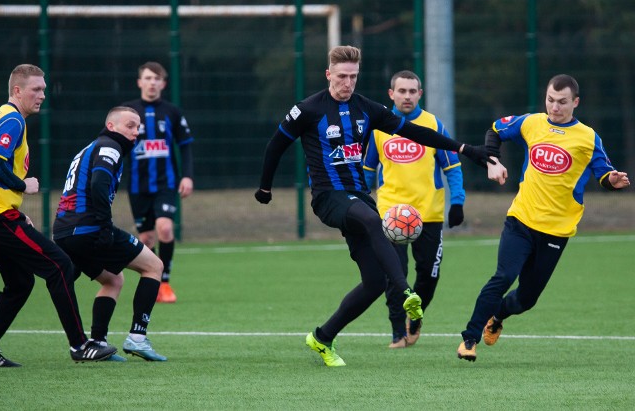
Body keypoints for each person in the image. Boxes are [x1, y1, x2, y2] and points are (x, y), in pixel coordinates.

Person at [254, 45, 492, 366]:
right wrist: (265, 187)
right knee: (371, 219)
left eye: (353, 77)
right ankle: (407, 292)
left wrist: (463, 148)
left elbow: (416, 133)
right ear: (329, 75)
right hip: (328, 197)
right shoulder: (307, 109)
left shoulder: (368, 109)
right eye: (341, 76)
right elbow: (275, 146)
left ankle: (323, 338)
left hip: (357, 198)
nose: (347, 83)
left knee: (373, 283)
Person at [457, 74, 630, 362]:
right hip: (521, 220)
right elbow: (495, 130)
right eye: (550, 100)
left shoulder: (588, 137)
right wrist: (493, 159)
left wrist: (612, 180)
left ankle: (498, 316)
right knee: (503, 276)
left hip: (556, 232)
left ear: (576, 102)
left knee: (526, 299)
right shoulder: (531, 123)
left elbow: (603, 174)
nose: (555, 107)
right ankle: (469, 339)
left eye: (562, 102)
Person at [0, 64, 117, 366]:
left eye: (44, 89)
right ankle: (79, 346)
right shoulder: (12, 120)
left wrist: (17, 209)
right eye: (36, 89)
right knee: (60, 264)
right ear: (17, 91)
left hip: (3, 214)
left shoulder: (3, 116)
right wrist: (23, 185)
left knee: (20, 282)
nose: (43, 95)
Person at [53, 106, 167, 362]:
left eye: (138, 127)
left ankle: (97, 343)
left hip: (64, 231)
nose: (135, 132)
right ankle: (137, 337)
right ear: (111, 125)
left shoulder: (89, 148)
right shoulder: (109, 147)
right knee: (154, 266)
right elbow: (98, 185)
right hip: (88, 228)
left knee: (113, 280)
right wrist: (104, 227)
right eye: (130, 125)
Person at [363, 70, 465, 348]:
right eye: (402, 91)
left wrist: (457, 202)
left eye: (412, 91)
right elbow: (368, 169)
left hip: (428, 215)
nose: (407, 96)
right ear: (391, 94)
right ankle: (398, 331)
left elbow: (452, 166)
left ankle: (415, 318)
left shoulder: (433, 124)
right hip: (391, 216)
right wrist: (363, 204)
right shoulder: (379, 127)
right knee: (395, 275)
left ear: (420, 94)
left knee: (429, 275)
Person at [122, 61, 194, 304]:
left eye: (157, 79)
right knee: (146, 239)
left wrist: (187, 175)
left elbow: (185, 146)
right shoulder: (128, 113)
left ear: (163, 83)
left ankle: (164, 283)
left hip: (166, 183)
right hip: (137, 185)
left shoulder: (172, 112)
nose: (152, 83)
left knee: (164, 228)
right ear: (139, 82)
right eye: (148, 78)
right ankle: (151, 281)